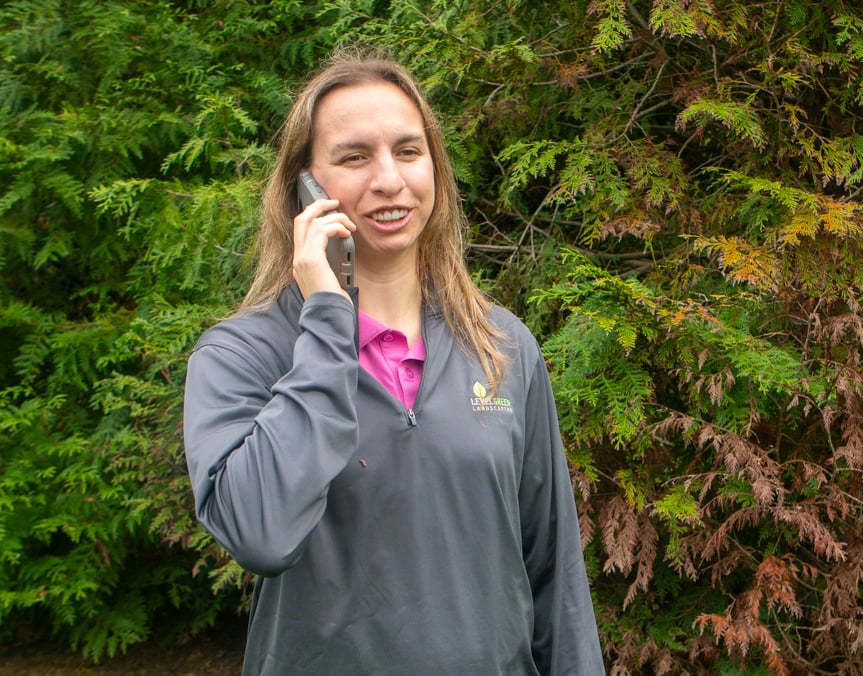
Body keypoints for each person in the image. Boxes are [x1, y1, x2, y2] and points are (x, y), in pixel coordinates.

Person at [182, 50, 605, 675]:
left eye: (408, 151)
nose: (389, 179)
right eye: (355, 157)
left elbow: (554, 572)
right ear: (306, 185)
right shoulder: (241, 355)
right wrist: (327, 317)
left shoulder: (501, 346)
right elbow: (260, 533)